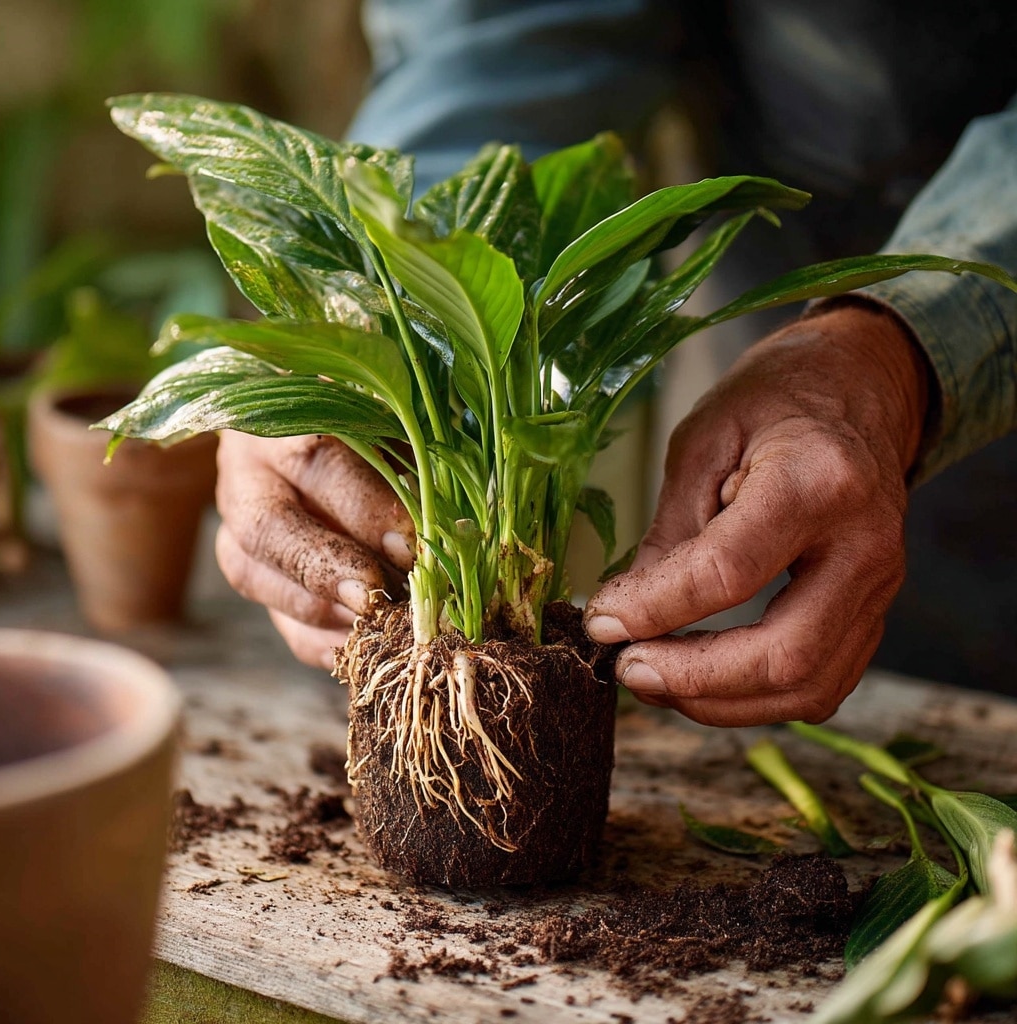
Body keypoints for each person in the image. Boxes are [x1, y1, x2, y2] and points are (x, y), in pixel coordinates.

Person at [214, 1, 1017, 726]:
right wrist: (377, 330)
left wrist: (910, 340)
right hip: (815, 291)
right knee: (812, 611)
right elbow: (507, 36)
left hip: (942, 305)